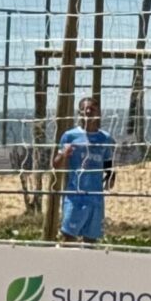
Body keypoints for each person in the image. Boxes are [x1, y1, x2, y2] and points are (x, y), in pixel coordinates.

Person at [55, 97, 116, 244]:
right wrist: (63, 155)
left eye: (92, 109)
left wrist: (110, 178)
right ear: (79, 113)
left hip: (96, 198)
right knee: (68, 237)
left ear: (98, 113)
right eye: (84, 109)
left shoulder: (105, 138)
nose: (88, 111)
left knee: (90, 241)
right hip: (75, 196)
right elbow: (55, 164)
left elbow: (108, 163)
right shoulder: (70, 136)